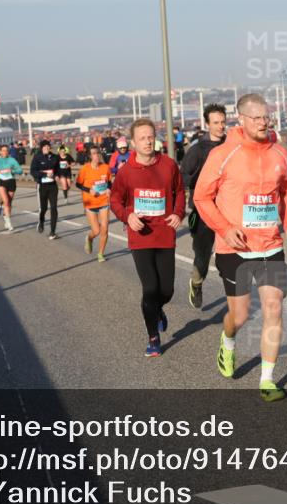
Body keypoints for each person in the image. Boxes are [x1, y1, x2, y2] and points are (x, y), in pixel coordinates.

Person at [193, 93, 287, 402]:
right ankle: (227, 342)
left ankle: (267, 379)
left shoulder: (279, 153)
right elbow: (202, 197)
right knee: (239, 317)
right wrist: (225, 230)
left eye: (266, 117)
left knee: (273, 308)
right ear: (241, 119)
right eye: (256, 118)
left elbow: (286, 188)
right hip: (235, 248)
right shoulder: (223, 154)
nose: (263, 122)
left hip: (270, 244)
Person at [110, 119, 185, 358]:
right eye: (142, 137)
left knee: (167, 290)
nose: (148, 141)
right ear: (133, 142)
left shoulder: (169, 165)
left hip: (164, 234)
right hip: (140, 235)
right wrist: (127, 215)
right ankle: (153, 337)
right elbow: (115, 201)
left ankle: (157, 310)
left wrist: (178, 213)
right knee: (150, 287)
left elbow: (180, 191)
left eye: (151, 136)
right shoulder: (126, 172)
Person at [180, 103, 227, 309]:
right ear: (207, 124)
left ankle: (234, 295)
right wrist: (201, 182)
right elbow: (182, 177)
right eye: (216, 123)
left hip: (227, 208)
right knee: (203, 255)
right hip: (202, 210)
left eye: (223, 122)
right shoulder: (197, 150)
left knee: (230, 253)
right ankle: (197, 283)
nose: (220, 126)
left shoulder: (232, 146)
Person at [76, 144, 112, 261]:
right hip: (90, 203)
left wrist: (109, 189)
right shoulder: (85, 169)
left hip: (104, 201)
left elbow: (109, 181)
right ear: (90, 156)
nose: (97, 155)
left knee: (105, 228)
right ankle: (90, 238)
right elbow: (78, 184)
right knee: (96, 230)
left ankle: (100, 253)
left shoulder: (105, 167)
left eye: (98, 153)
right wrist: (89, 190)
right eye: (94, 154)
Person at [30, 140, 61, 239]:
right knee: (43, 208)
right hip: (42, 186)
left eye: (48, 147)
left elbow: (58, 170)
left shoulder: (55, 157)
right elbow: (33, 171)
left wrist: (57, 175)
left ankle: (52, 232)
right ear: (41, 148)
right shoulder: (37, 157)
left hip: (52, 186)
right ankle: (41, 221)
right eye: (45, 147)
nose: (47, 148)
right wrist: (44, 174)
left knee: (54, 208)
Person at [0, 143, 22, 232]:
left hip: (11, 181)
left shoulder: (12, 160)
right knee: (6, 201)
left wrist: (13, 170)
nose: (5, 152)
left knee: (9, 203)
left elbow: (20, 170)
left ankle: (5, 217)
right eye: (3, 150)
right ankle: (9, 222)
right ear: (0, 152)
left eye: (6, 150)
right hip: (1, 182)